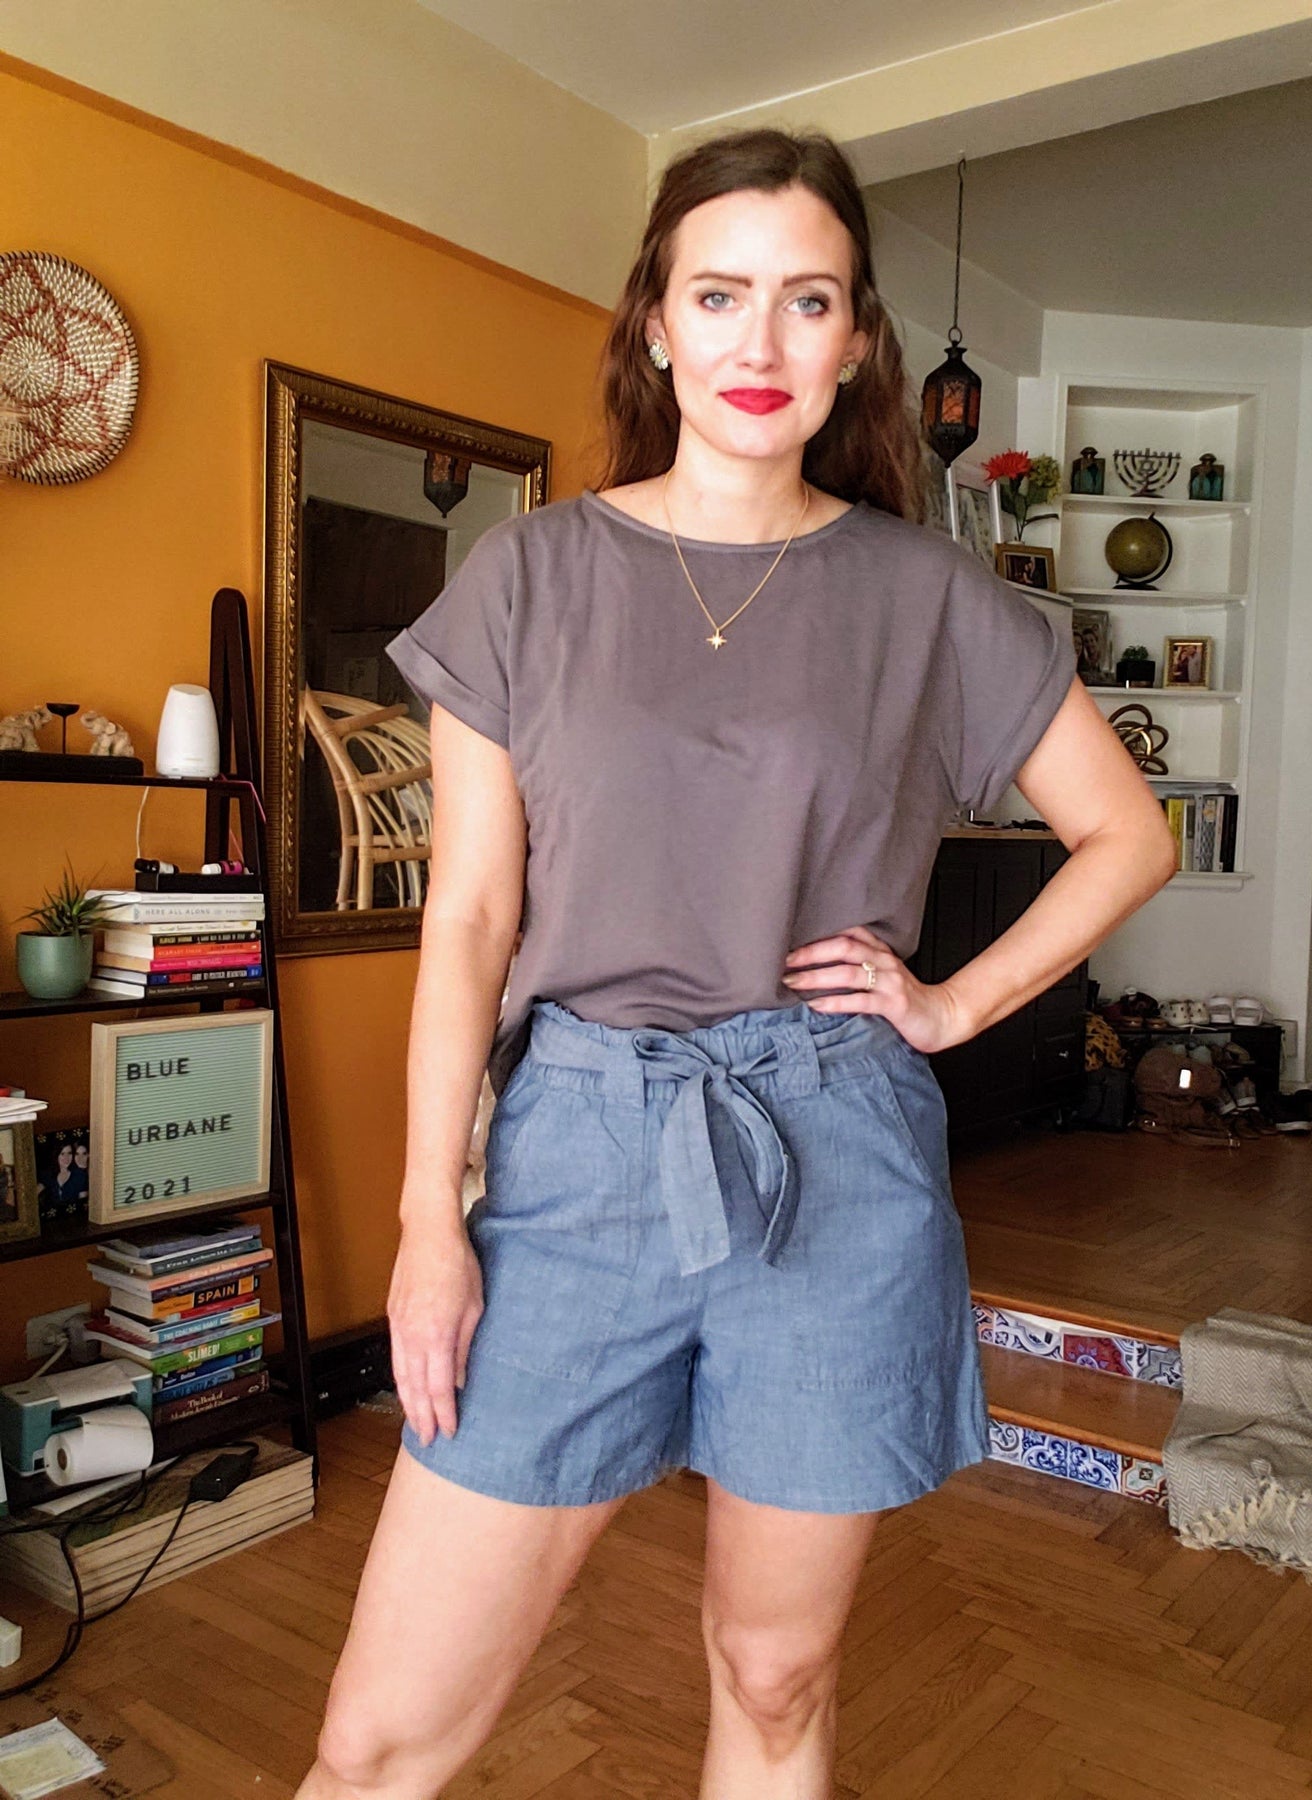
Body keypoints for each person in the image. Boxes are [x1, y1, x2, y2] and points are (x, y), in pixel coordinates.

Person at [297, 127, 1176, 1800]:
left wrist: (953, 1004)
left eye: (804, 301)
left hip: (833, 1155)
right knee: (378, 1736)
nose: (757, 341)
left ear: (855, 343)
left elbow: (1126, 834)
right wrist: (426, 1221)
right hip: (573, 1157)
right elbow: (467, 921)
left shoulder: (923, 595)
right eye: (717, 296)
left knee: (775, 1680)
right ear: (655, 324)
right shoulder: (529, 574)